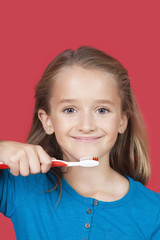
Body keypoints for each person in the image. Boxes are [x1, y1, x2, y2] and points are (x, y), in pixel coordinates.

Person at [0, 46, 160, 240]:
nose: (86, 126)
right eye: (70, 110)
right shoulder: (21, 186)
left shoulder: (154, 213)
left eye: (102, 110)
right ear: (47, 121)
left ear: (122, 121)